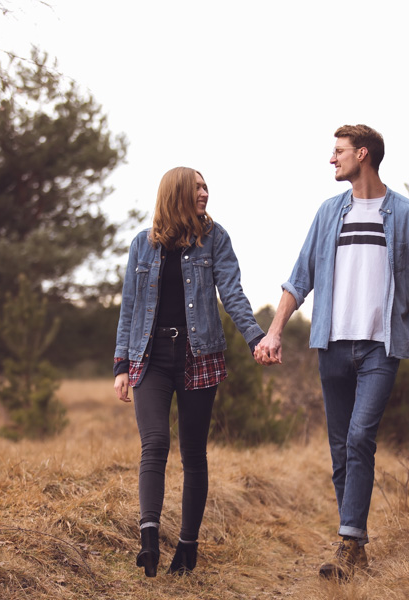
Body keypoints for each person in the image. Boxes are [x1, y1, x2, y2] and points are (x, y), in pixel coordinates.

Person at [254, 124, 409, 581]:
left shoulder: (407, 215)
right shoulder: (327, 214)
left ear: (363, 155)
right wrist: (274, 331)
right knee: (341, 449)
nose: (331, 160)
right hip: (331, 346)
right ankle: (354, 545)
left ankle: (346, 540)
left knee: (360, 438)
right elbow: (299, 278)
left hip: (381, 347)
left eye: (337, 152)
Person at [114, 166, 265, 577]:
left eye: (205, 186)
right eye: (197, 186)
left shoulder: (215, 239)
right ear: (177, 193)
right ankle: (148, 539)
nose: (205, 192)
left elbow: (232, 292)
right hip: (151, 356)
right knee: (155, 443)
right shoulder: (141, 247)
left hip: (200, 355)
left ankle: (187, 546)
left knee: (193, 453)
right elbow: (129, 307)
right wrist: (121, 365)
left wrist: (255, 338)